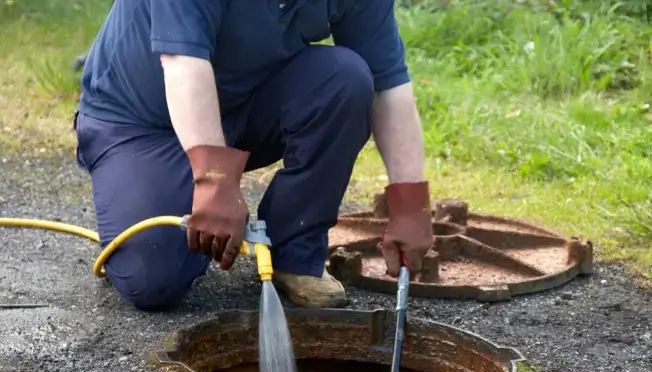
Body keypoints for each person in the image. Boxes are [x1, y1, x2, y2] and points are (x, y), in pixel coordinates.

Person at [73, 0, 434, 311]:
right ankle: (177, 199)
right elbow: (183, 62)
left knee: (346, 79)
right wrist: (214, 181)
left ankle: (294, 252)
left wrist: (411, 206)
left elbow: (389, 87)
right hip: (139, 124)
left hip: (244, 105)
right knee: (153, 278)